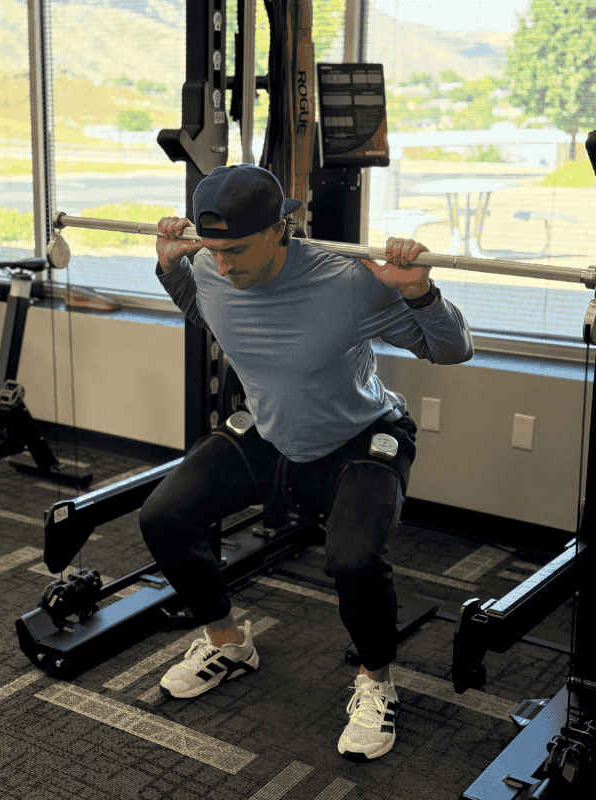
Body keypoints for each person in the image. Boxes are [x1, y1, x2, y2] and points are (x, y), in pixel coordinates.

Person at [139, 163, 473, 761]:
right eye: (211, 251)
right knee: (165, 516)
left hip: (360, 437)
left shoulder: (350, 282)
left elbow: (453, 351)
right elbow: (204, 309)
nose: (224, 265)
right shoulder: (211, 270)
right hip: (272, 433)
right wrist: (169, 267)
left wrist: (419, 292)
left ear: (282, 229)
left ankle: (376, 681)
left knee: (352, 560)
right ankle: (228, 642)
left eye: (236, 249)